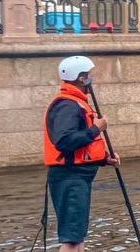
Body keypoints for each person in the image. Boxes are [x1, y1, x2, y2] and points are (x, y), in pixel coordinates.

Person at [43, 56, 120, 252]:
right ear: (80, 78)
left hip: (77, 177)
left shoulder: (76, 102)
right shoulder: (67, 105)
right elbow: (64, 141)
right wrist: (96, 129)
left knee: (77, 235)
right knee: (71, 238)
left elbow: (81, 147)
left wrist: (104, 159)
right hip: (69, 177)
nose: (91, 79)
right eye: (89, 75)